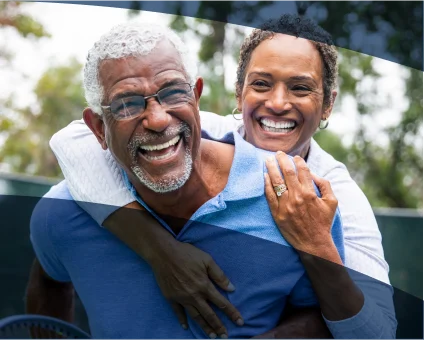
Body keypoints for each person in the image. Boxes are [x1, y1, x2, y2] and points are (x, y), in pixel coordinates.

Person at [26, 21, 348, 339]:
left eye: (173, 93)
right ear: (98, 128)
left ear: (196, 95)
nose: (157, 119)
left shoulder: (297, 202)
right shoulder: (62, 214)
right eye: (127, 104)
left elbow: (326, 316)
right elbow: (49, 276)